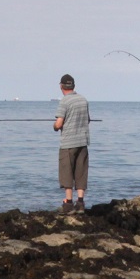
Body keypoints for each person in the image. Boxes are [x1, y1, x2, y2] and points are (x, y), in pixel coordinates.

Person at [53, 73, 90, 212]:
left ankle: (68, 203)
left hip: (68, 143)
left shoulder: (64, 101)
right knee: (81, 172)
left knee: (66, 172)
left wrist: (55, 126)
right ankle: (80, 203)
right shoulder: (83, 100)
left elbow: (59, 123)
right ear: (73, 86)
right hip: (83, 141)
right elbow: (88, 120)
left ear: (61, 86)